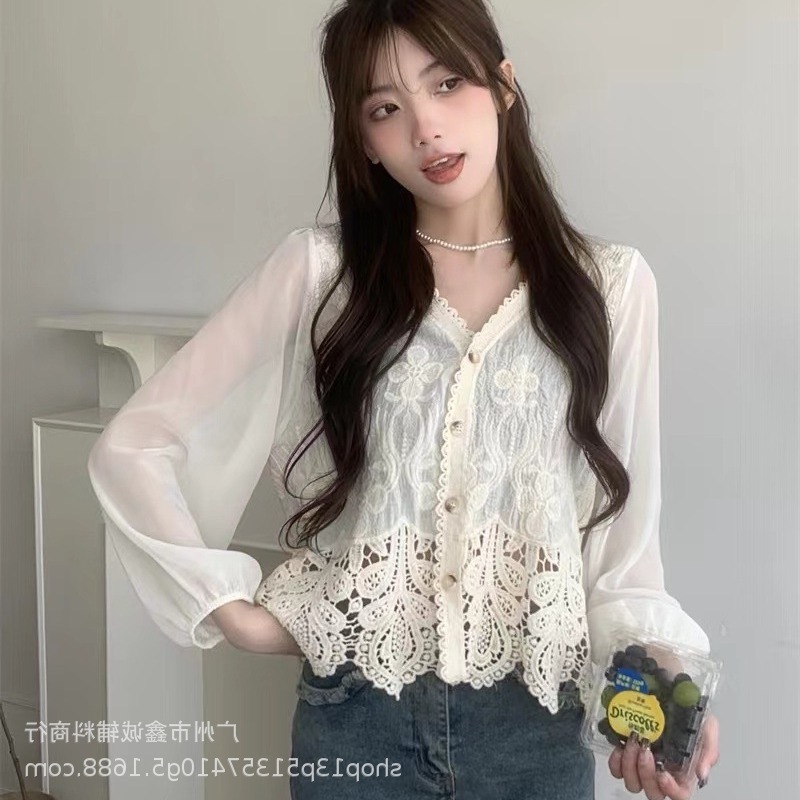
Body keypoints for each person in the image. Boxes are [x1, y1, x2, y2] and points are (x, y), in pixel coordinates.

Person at [86, 1, 720, 798]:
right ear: (364, 139)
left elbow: (623, 548)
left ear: (504, 84)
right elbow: (135, 445)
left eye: (447, 84)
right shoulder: (320, 274)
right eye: (386, 108)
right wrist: (230, 609)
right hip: (355, 718)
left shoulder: (612, 286)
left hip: (533, 726)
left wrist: (666, 678)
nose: (426, 128)